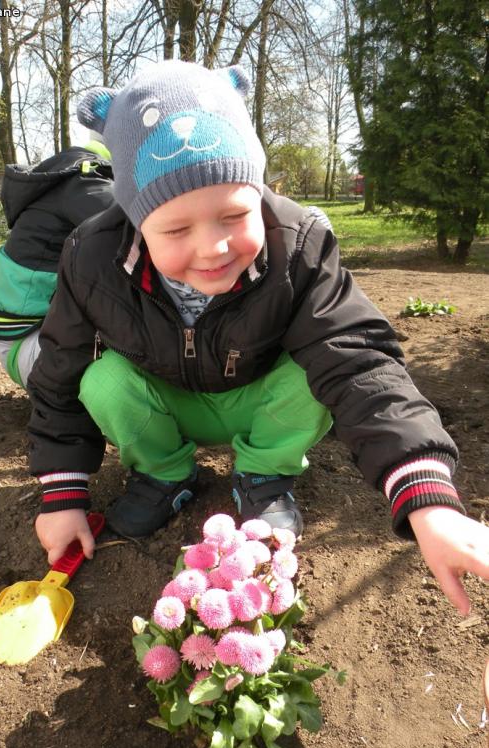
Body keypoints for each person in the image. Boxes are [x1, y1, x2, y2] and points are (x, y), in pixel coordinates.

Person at [27, 60, 488, 616]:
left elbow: (358, 361)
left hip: (259, 399)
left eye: (234, 214)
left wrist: (428, 501)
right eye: (175, 229)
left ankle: (264, 475)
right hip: (165, 402)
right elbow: (58, 371)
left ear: (259, 191)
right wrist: (62, 494)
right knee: (100, 378)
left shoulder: (299, 245)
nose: (214, 247)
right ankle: (164, 474)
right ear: (134, 219)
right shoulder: (91, 257)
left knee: (314, 371)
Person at [0, 136, 114, 388]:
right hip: (31, 348)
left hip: (25, 343)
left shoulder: (69, 178)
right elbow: (138, 230)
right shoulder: (85, 180)